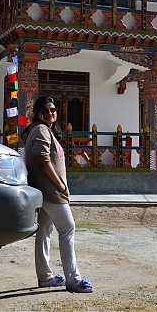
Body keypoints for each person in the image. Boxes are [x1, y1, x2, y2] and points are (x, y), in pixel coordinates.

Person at [22, 96, 94, 293]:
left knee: (44, 231)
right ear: (37, 113)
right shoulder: (41, 130)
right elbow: (42, 158)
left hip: (43, 191)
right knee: (67, 228)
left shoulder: (42, 130)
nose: (50, 113)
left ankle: (45, 277)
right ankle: (73, 279)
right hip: (51, 191)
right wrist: (60, 184)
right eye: (45, 110)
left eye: (53, 110)